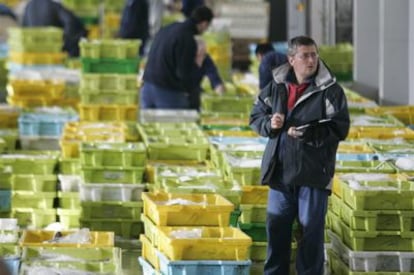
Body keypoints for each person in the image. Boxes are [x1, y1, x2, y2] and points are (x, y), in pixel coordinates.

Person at [249, 36, 350, 275]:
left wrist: (308, 133)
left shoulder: (331, 91)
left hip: (313, 174)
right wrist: (270, 124)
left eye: (314, 54)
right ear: (291, 59)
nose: (311, 60)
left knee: (311, 233)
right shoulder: (275, 85)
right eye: (305, 55)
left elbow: (339, 127)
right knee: (277, 230)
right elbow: (255, 116)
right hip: (280, 173)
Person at [141, 6, 214, 109]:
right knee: (188, 116)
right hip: (165, 93)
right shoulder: (187, 38)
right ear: (204, 24)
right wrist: (198, 63)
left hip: (147, 88)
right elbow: (185, 75)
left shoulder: (169, 28)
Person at [22, 0, 87, 57]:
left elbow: (23, 27)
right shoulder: (53, 5)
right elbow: (71, 21)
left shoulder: (28, 6)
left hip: (34, 49)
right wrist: (65, 41)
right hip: (55, 48)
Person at [189, 37, 224, 110]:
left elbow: (214, 77)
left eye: (203, 54)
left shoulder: (206, 59)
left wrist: (219, 89)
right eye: (198, 55)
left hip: (197, 90)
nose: (201, 58)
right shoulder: (184, 59)